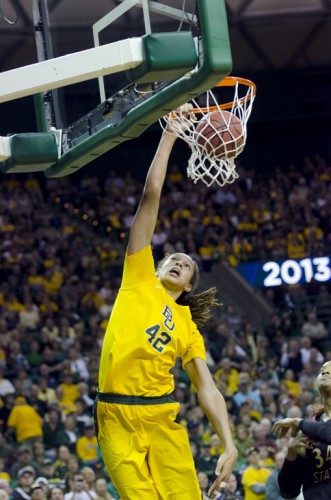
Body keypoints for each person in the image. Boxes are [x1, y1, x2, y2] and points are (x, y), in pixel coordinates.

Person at [95, 112, 237, 500]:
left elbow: (207, 389)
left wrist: (229, 442)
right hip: (115, 414)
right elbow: (151, 196)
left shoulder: (187, 325)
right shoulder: (138, 278)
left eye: (186, 263)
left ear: (189, 282)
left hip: (161, 414)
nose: (177, 260)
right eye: (171, 257)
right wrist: (171, 135)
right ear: (156, 266)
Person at [272, 359, 331, 499]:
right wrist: (291, 455)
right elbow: (288, 491)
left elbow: (328, 433)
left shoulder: (305, 426)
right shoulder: (308, 429)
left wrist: (298, 421)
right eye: (322, 369)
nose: (325, 371)